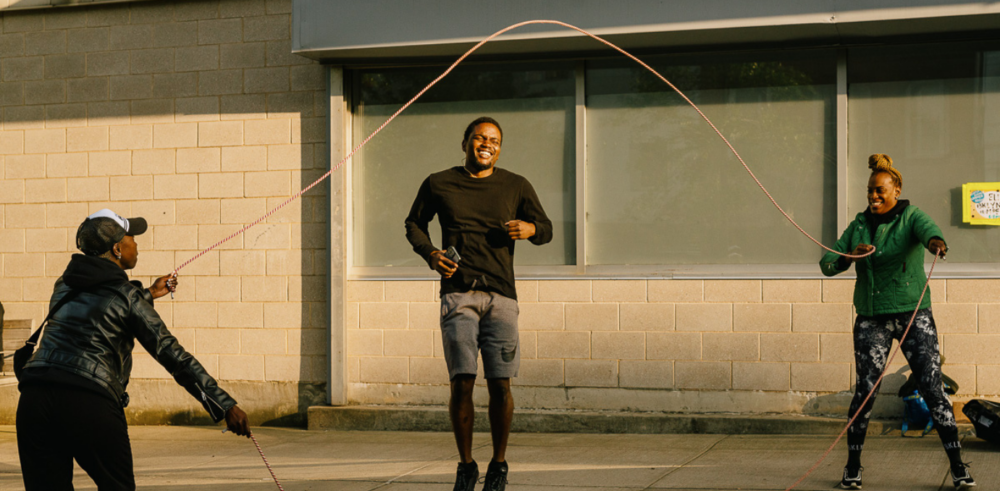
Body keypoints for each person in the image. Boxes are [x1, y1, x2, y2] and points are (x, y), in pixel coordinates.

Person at [16, 209, 251, 491]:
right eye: (131, 238)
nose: (136, 244)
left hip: (35, 400)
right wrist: (224, 404)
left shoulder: (63, 284)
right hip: (88, 403)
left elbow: (99, 302)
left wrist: (148, 293)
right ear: (116, 249)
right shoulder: (128, 298)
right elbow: (172, 354)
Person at [405, 117, 553, 491]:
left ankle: (498, 467)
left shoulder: (516, 185)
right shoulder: (439, 182)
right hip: (458, 295)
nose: (487, 144)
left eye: (494, 140)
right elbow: (413, 223)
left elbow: (546, 228)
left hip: (502, 296)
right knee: (463, 382)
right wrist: (431, 254)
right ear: (465, 143)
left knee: (501, 384)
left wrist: (531, 229)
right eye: (479, 138)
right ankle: (466, 466)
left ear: (499, 148)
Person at [820, 154, 974, 490]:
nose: (873, 197)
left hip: (912, 313)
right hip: (871, 319)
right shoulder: (858, 225)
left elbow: (929, 232)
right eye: (869, 192)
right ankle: (852, 467)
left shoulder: (911, 216)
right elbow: (827, 263)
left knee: (933, 388)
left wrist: (936, 243)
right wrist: (850, 255)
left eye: (879, 191)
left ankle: (958, 466)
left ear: (896, 189)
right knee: (865, 393)